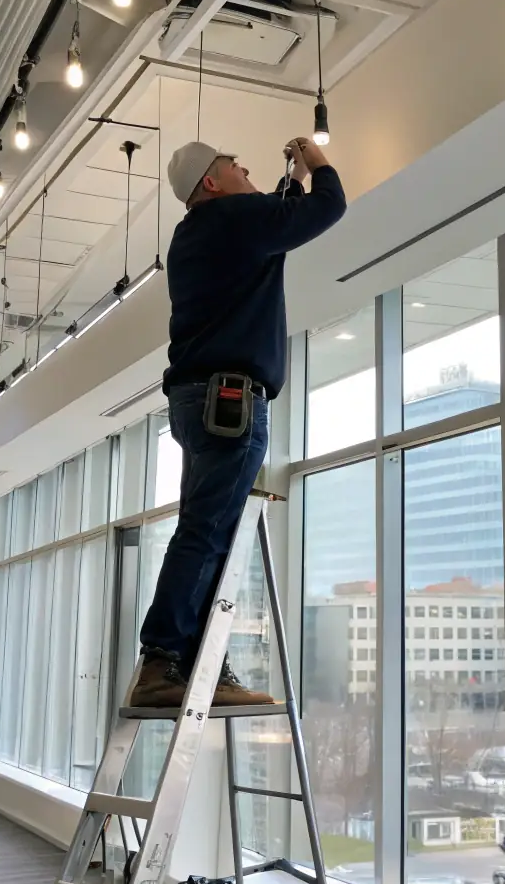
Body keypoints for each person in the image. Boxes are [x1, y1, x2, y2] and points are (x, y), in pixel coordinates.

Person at [130, 134, 346, 708]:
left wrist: (285, 187)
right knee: (207, 534)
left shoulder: (199, 233)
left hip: (198, 402)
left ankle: (197, 664)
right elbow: (329, 208)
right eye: (233, 164)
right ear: (211, 183)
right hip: (230, 402)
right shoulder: (233, 219)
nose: (244, 165)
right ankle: (161, 662)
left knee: (207, 532)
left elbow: (272, 228)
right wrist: (315, 162)